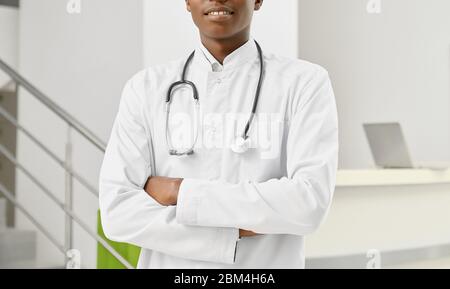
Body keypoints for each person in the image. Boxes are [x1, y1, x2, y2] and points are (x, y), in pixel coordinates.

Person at [99, 0, 339, 269]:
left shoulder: (305, 83)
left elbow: (309, 203)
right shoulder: (145, 88)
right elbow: (117, 212)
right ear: (187, 2)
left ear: (258, 1)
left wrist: (178, 191)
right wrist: (234, 231)